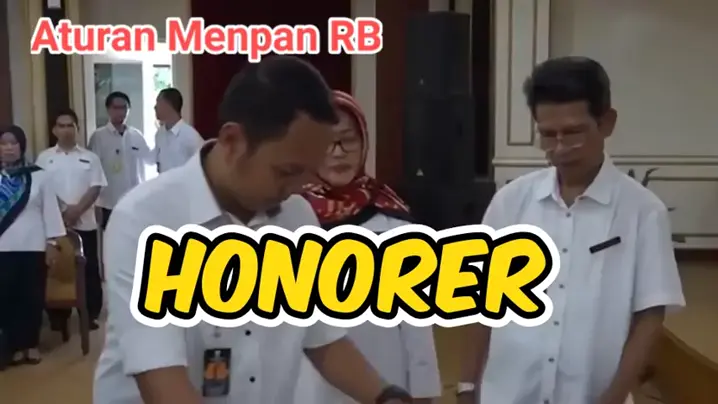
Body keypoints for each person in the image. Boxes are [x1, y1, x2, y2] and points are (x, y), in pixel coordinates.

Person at [93, 56, 413, 404]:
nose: (300, 188)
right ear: (233, 141)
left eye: (309, 172)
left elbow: (323, 338)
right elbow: (162, 381)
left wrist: (387, 397)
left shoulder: (297, 218)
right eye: (287, 171)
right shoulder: (146, 220)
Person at [457, 57, 685, 404]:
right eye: (548, 135)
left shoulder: (642, 211)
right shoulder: (511, 201)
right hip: (508, 394)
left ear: (606, 123)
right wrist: (467, 386)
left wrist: (614, 396)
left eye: (574, 132)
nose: (560, 148)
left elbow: (650, 317)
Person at [296, 90, 442, 404]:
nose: (338, 153)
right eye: (326, 142)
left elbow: (417, 328)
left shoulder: (395, 223)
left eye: (348, 140)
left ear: (364, 143)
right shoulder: (286, 218)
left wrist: (423, 394)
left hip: (384, 385)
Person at [36, 108, 108, 331]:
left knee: (88, 268)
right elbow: (40, 189)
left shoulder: (90, 158)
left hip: (85, 222)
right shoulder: (44, 158)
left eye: (70, 126)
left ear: (77, 129)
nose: (66, 130)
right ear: (54, 130)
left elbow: (96, 187)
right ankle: (59, 317)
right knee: (57, 269)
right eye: (62, 126)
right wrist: (63, 211)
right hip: (54, 225)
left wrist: (76, 211)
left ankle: (90, 313)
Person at [0, 125, 65, 365]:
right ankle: (12, 346)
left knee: (31, 297)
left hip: (33, 246)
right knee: (6, 297)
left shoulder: (39, 175)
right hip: (2, 248)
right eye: (3, 143)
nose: (8, 148)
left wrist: (52, 243)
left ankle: (30, 345)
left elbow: (50, 210)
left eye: (13, 143)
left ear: (22, 146)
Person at [88, 91, 152, 230]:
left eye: (124, 108)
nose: (121, 112)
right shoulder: (98, 136)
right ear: (108, 110)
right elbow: (93, 172)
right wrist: (95, 203)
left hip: (134, 201)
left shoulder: (136, 135)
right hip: (108, 203)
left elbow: (150, 160)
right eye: (116, 108)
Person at [153, 87, 204, 173]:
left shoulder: (190, 136)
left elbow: (203, 165)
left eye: (158, 102)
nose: (155, 107)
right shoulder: (159, 134)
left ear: (168, 105)